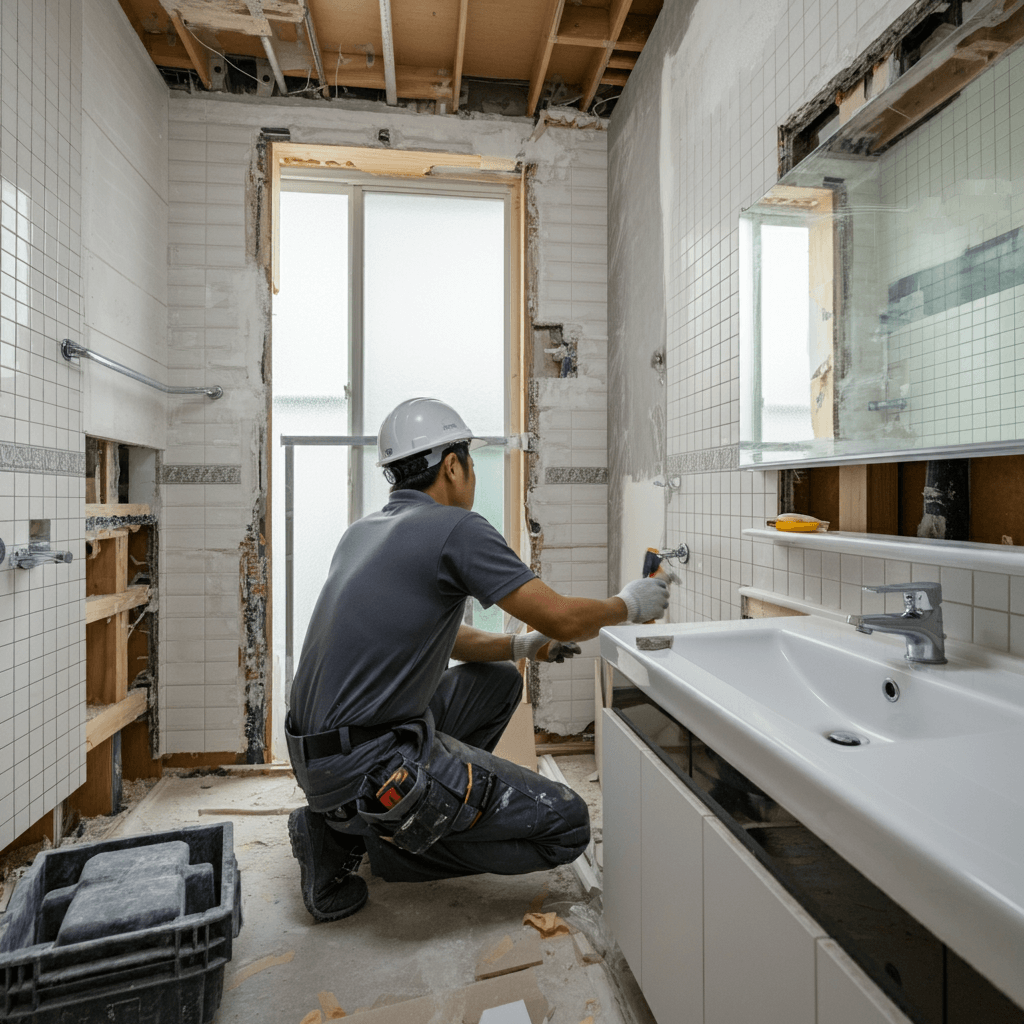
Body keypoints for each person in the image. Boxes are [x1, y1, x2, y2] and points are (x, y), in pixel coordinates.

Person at [286, 397, 670, 922]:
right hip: (370, 763)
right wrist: (629, 605)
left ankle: (352, 822)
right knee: (568, 825)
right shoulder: (456, 528)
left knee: (497, 681)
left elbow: (432, 639)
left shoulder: (362, 532)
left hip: (317, 756)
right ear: (451, 465)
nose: (473, 476)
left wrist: (519, 646)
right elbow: (559, 615)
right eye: (470, 463)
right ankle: (380, 838)